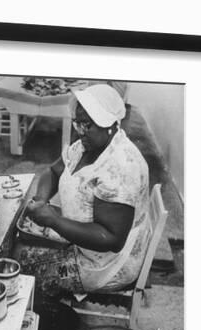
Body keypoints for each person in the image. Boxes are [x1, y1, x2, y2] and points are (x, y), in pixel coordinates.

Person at [15, 84, 150, 299]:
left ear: (109, 123)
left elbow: (112, 239)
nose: (80, 131)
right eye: (78, 123)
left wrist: (54, 221)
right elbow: (54, 171)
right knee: (19, 246)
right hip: (82, 242)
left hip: (104, 265)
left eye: (87, 124)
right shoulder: (86, 146)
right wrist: (41, 200)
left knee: (21, 266)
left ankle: (46, 313)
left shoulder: (121, 167)